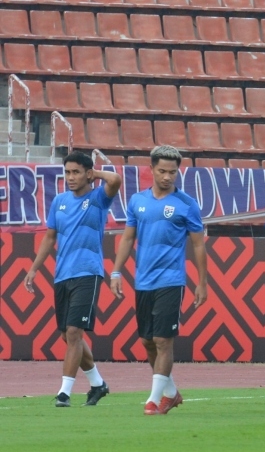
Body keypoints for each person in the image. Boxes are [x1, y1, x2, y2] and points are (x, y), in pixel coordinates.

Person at [110, 145, 207, 415]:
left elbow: (199, 245)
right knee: (147, 342)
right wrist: (116, 272)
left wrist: (202, 282)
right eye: (162, 171)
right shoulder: (137, 201)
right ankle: (172, 393)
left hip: (171, 280)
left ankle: (153, 401)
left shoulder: (187, 204)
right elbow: (128, 238)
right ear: (151, 169)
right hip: (143, 281)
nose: (167, 176)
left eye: (172, 172)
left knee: (164, 341)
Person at [24, 151, 121, 407]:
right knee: (68, 337)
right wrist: (34, 269)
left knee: (75, 332)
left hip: (88, 272)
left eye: (76, 172)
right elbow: (49, 237)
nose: (70, 177)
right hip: (62, 275)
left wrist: (95, 173)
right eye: (67, 172)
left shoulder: (98, 198)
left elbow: (115, 180)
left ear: (88, 174)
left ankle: (65, 393)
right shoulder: (59, 202)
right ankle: (98, 384)